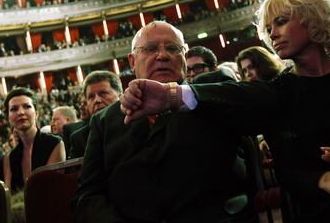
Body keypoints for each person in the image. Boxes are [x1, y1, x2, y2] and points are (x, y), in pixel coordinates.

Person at [121, 0, 330, 223]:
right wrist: (326, 180)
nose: (273, 33)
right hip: (324, 210)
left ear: (312, 17)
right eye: (269, 27)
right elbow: (287, 171)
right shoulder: (278, 92)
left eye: (281, 21)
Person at [72, 21, 258, 223]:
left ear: (184, 58)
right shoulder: (104, 121)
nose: (162, 55)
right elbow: (88, 195)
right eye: (150, 49)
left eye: (172, 48)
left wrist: (176, 96)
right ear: (132, 62)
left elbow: (263, 104)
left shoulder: (210, 92)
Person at [3, 87, 65, 192]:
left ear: (36, 113)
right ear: (8, 118)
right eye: (14, 109)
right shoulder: (9, 157)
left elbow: (52, 189)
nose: (21, 112)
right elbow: (9, 198)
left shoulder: (54, 143)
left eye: (27, 106)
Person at [68, 70, 122, 159]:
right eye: (91, 97)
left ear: (120, 96)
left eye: (103, 93)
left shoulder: (137, 124)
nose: (97, 100)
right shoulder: (79, 139)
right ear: (86, 103)